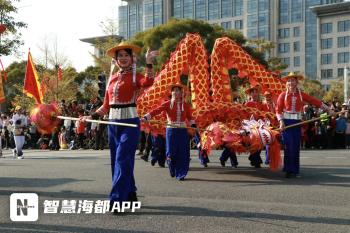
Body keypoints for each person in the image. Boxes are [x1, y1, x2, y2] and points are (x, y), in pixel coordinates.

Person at [81, 41, 158, 212]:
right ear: (115, 60)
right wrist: (91, 116)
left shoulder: (135, 76)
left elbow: (149, 82)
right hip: (112, 124)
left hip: (130, 123)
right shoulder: (112, 79)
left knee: (122, 159)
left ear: (132, 58)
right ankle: (129, 193)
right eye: (120, 56)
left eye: (126, 55)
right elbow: (106, 106)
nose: (123, 58)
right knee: (117, 162)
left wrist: (149, 63)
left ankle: (118, 200)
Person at [276, 72, 332, 178]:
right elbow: (278, 110)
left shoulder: (302, 95)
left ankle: (295, 170)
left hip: (297, 123)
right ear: (286, 83)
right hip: (286, 123)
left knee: (295, 147)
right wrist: (281, 121)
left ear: (297, 82)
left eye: (293, 80)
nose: (291, 82)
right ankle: (288, 170)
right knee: (288, 147)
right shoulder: (282, 95)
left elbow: (315, 101)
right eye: (289, 80)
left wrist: (329, 109)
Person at [143, 83, 196, 181]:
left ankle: (181, 173)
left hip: (182, 131)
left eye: (178, 91)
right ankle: (172, 168)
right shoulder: (167, 103)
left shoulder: (185, 105)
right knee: (171, 152)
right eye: (174, 91)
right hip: (171, 130)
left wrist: (193, 124)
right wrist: (146, 117)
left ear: (181, 93)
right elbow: (156, 110)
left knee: (183, 152)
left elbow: (190, 116)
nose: (176, 93)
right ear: (171, 93)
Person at [244, 84, 264, 168]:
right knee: (254, 142)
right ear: (250, 94)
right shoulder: (247, 104)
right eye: (253, 92)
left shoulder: (261, 104)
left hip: (259, 126)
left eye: (256, 92)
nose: (255, 94)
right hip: (250, 126)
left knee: (261, 142)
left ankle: (254, 158)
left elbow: (263, 115)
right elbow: (243, 115)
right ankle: (256, 160)